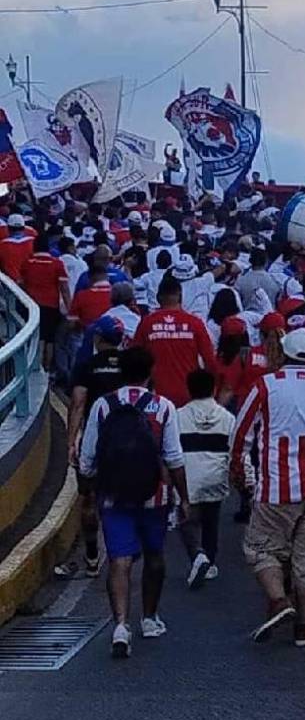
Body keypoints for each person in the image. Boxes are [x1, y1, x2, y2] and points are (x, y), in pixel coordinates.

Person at [231, 327, 305, 648]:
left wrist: (243, 475)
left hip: (275, 489)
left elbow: (241, 437)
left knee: (261, 549)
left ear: (283, 353)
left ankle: (280, 601)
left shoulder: (265, 386)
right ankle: (304, 627)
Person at [78, 346, 189, 658]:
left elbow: (87, 460)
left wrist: (87, 492)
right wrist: (184, 497)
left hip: (113, 497)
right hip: (155, 497)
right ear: (149, 372)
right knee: (154, 555)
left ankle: (120, 625)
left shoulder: (103, 406)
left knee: (119, 560)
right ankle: (150, 618)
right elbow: (174, 457)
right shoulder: (163, 407)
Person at [56, 316, 126, 579]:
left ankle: (92, 558)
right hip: (125, 442)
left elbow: (77, 404)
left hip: (94, 443)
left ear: (98, 338)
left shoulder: (87, 365)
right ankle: (123, 555)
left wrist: (71, 440)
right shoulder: (130, 365)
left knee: (88, 501)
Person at [177, 369, 239, 589]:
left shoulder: (178, 416)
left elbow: (172, 452)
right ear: (213, 389)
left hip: (189, 477)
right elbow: (234, 450)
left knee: (187, 521)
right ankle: (210, 560)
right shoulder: (227, 418)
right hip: (216, 476)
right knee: (212, 521)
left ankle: (197, 555)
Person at [133, 275, 218, 407]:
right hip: (189, 397)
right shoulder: (195, 323)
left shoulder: (147, 323)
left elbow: (134, 359)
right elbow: (210, 361)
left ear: (158, 297)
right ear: (180, 296)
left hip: (155, 399)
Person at [20, 233, 70, 371]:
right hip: (51, 306)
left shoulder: (27, 263)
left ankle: (36, 367)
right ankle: (46, 368)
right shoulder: (57, 264)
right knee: (49, 339)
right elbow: (64, 289)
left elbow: (21, 284)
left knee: (37, 337)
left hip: (31, 306)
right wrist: (70, 309)